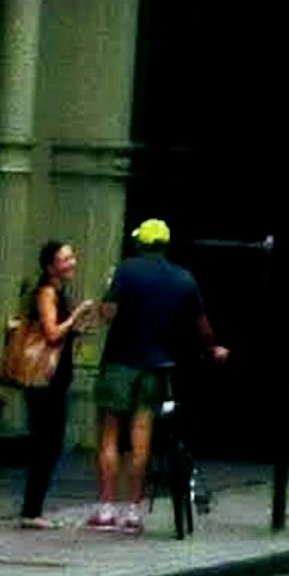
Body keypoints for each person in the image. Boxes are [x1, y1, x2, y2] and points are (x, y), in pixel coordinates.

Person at [90, 215, 220, 537]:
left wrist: (108, 296)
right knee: (141, 436)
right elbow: (201, 326)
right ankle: (134, 511)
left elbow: (107, 314)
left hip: (121, 361)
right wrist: (213, 347)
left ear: (139, 243)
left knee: (109, 434)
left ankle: (107, 508)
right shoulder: (184, 278)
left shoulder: (127, 270)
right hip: (158, 364)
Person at [2, 240, 90, 522]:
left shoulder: (58, 293)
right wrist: (77, 315)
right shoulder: (47, 293)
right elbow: (52, 333)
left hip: (56, 377)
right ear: (51, 266)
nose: (72, 262)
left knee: (50, 442)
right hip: (44, 380)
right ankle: (31, 510)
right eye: (65, 258)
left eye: (72, 257)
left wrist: (77, 328)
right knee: (48, 443)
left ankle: (33, 509)